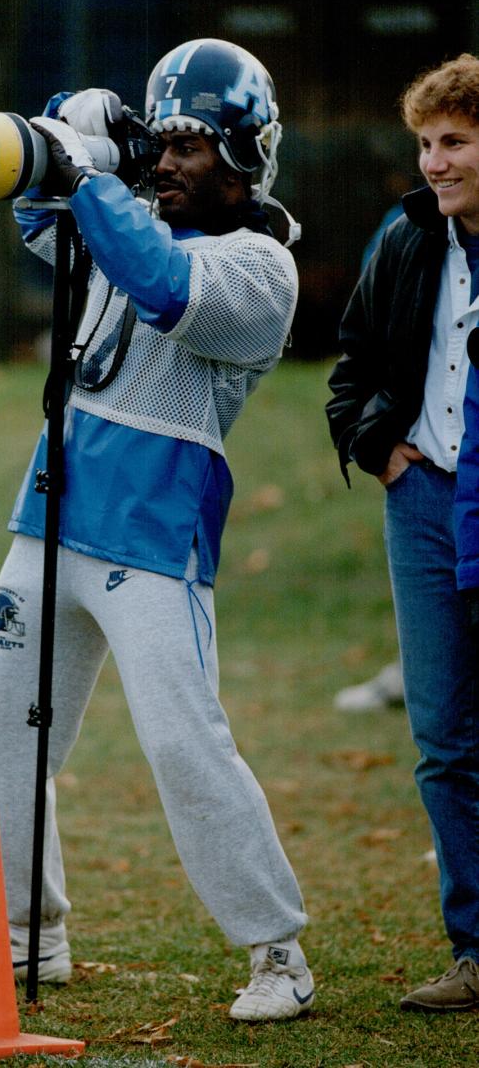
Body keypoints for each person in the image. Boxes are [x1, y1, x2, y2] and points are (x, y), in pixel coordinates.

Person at [0, 38, 314, 1023]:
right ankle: (26, 932)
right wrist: (69, 128)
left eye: (194, 148)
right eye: (164, 144)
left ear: (245, 160)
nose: (171, 164)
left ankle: (279, 951)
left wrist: (93, 176)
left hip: (151, 531)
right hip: (53, 510)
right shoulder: (130, 220)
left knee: (184, 741)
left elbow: (165, 289)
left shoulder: (260, 267)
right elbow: (34, 217)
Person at [326, 54, 479, 1011]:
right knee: (442, 737)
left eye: (454, 142)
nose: (432, 162)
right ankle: (473, 950)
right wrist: (377, 447)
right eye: (424, 143)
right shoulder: (409, 236)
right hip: (422, 502)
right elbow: (353, 360)